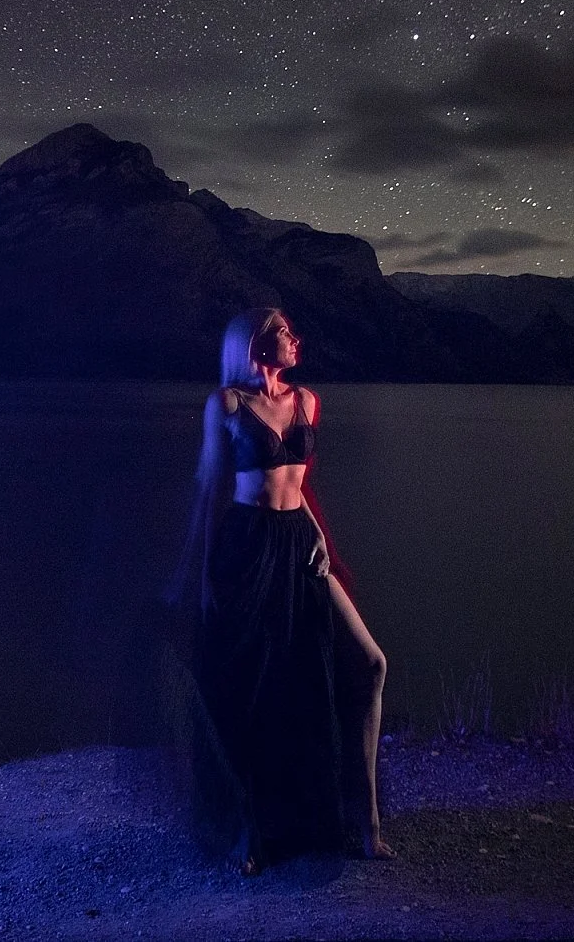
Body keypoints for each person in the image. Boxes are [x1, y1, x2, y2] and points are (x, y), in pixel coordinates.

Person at [166, 307, 393, 872]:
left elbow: (300, 486)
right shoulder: (227, 405)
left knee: (368, 664)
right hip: (248, 548)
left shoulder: (308, 401)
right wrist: (202, 580)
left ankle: (365, 822)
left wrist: (320, 542)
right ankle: (248, 831)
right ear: (256, 345)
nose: (296, 339)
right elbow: (210, 493)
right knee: (252, 690)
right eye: (285, 332)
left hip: (299, 543)